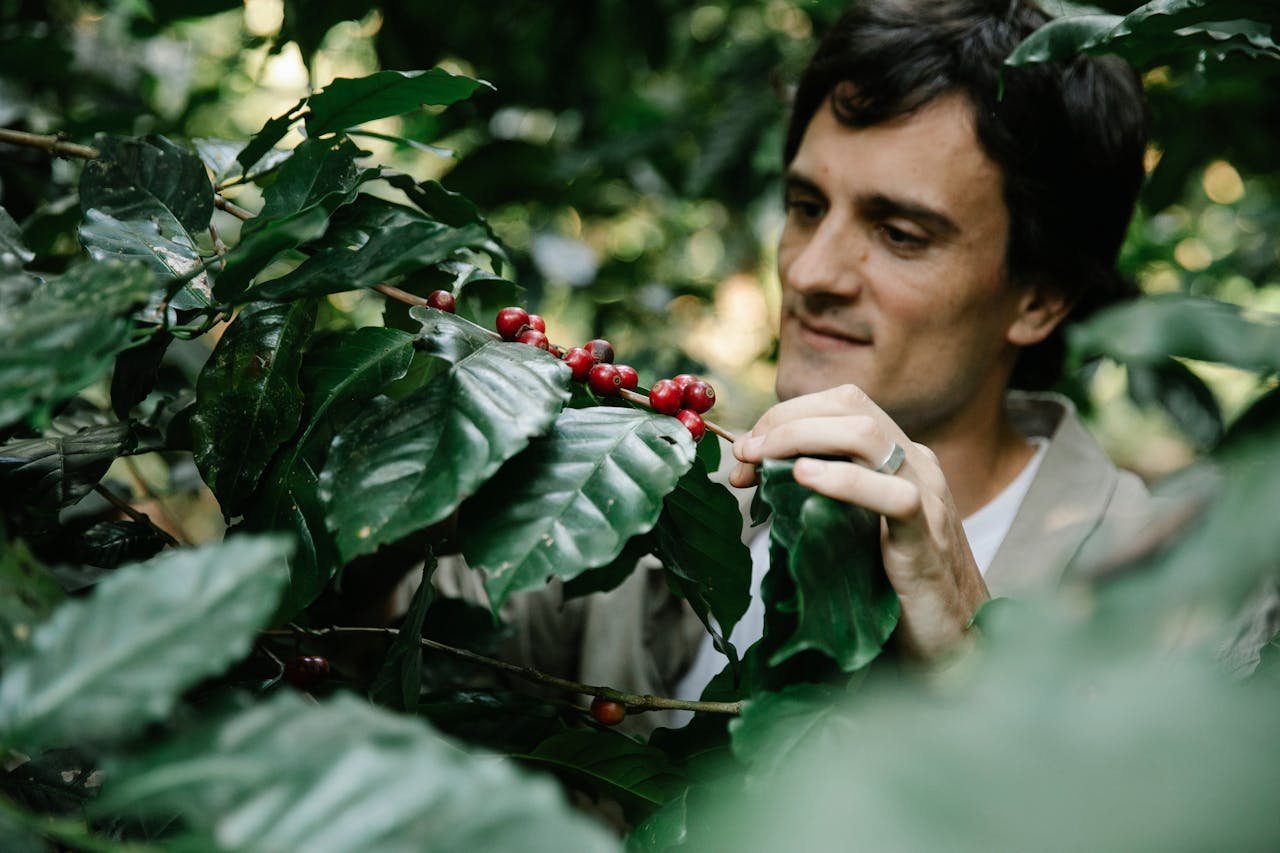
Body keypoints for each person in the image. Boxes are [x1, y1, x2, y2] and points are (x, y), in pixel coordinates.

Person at [434, 0, 1154, 727]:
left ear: (1040, 299)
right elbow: (399, 645)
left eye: (899, 234)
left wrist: (972, 667)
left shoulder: (1184, 595)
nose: (809, 272)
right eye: (807, 207)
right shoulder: (680, 503)